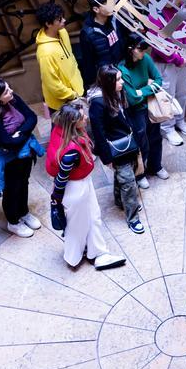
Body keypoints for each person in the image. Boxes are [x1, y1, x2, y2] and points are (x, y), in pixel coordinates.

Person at [47, 99, 126, 269]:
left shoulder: (61, 131)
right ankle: (75, 257)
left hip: (81, 183)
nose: (86, 119)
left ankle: (96, 253)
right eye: (82, 118)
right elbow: (62, 177)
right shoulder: (70, 151)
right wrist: (55, 199)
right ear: (73, 123)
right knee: (79, 225)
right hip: (76, 188)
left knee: (92, 217)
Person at [0, 78, 45, 237]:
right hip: (7, 160)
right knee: (11, 189)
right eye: (6, 91)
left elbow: (32, 117)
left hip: (23, 154)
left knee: (23, 182)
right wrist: (22, 135)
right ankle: (13, 221)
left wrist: (20, 133)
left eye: (9, 88)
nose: (11, 92)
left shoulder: (13, 100)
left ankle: (24, 212)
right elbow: (8, 143)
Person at [88, 66, 145, 233]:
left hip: (127, 142)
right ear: (108, 82)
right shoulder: (98, 103)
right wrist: (107, 158)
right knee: (129, 182)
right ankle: (133, 218)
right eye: (118, 79)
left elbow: (125, 116)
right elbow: (98, 132)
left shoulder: (116, 93)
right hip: (116, 148)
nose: (122, 82)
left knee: (124, 177)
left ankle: (121, 201)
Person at [148, 0, 186, 145]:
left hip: (184, 60)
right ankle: (168, 128)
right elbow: (158, 44)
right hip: (165, 63)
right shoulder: (155, 15)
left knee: (183, 92)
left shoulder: (181, 10)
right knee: (168, 97)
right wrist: (177, 59)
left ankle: (180, 120)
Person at [120, 34, 167, 185]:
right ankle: (140, 174)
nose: (144, 52)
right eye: (140, 49)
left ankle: (156, 166)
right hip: (135, 111)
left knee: (156, 137)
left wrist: (142, 91)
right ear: (130, 49)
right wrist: (148, 89)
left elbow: (158, 80)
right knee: (141, 141)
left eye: (145, 48)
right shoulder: (122, 68)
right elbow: (132, 98)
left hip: (151, 105)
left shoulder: (145, 59)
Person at [35, 1, 85, 114]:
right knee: (63, 130)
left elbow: (70, 58)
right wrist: (72, 95)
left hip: (76, 91)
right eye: (59, 19)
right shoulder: (45, 52)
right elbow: (52, 84)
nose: (64, 20)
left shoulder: (62, 32)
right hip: (63, 102)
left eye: (62, 17)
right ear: (48, 24)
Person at [79, 0, 127, 91]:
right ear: (96, 9)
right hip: (105, 77)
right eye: (106, 4)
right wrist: (93, 82)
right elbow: (88, 61)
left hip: (121, 70)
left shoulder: (114, 22)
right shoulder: (88, 33)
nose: (111, 6)